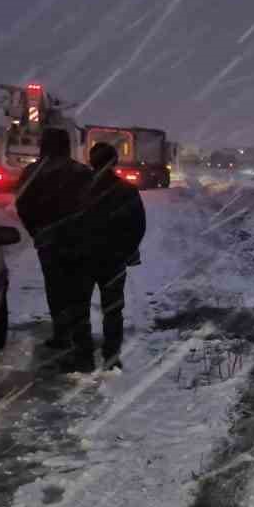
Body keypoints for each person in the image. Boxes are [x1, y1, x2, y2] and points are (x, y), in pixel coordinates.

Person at [14, 127, 94, 368]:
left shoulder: (32, 172)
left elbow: (23, 205)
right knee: (79, 291)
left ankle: (61, 335)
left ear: (44, 146)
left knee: (56, 288)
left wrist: (37, 232)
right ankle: (81, 340)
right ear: (67, 145)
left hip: (49, 242)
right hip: (79, 242)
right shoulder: (82, 172)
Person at [75, 142, 147, 371]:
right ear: (114, 162)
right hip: (113, 260)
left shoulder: (77, 189)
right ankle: (111, 356)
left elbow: (65, 223)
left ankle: (83, 356)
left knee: (79, 308)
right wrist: (125, 250)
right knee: (113, 310)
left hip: (82, 258)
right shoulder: (126, 190)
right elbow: (137, 226)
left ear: (91, 161)